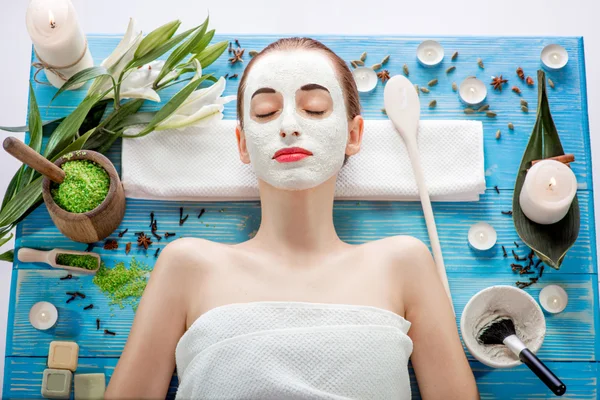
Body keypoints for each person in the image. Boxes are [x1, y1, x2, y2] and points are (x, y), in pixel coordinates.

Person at [106, 37, 479, 400]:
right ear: (242, 144)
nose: (288, 125)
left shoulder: (404, 264)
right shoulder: (186, 266)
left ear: (353, 134)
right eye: (266, 112)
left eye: (314, 108)